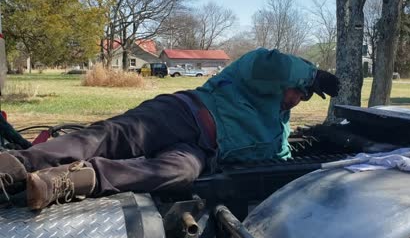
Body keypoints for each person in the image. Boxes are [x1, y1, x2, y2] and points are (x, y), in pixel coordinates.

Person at [0, 48, 340, 210]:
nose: (298, 98)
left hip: (202, 152)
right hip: (184, 112)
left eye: (306, 95)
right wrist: (313, 74)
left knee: (177, 173)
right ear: (290, 82)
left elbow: (279, 163)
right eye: (299, 90)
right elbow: (271, 64)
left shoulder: (279, 128)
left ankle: (68, 181)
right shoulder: (254, 75)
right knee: (111, 136)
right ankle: (17, 165)